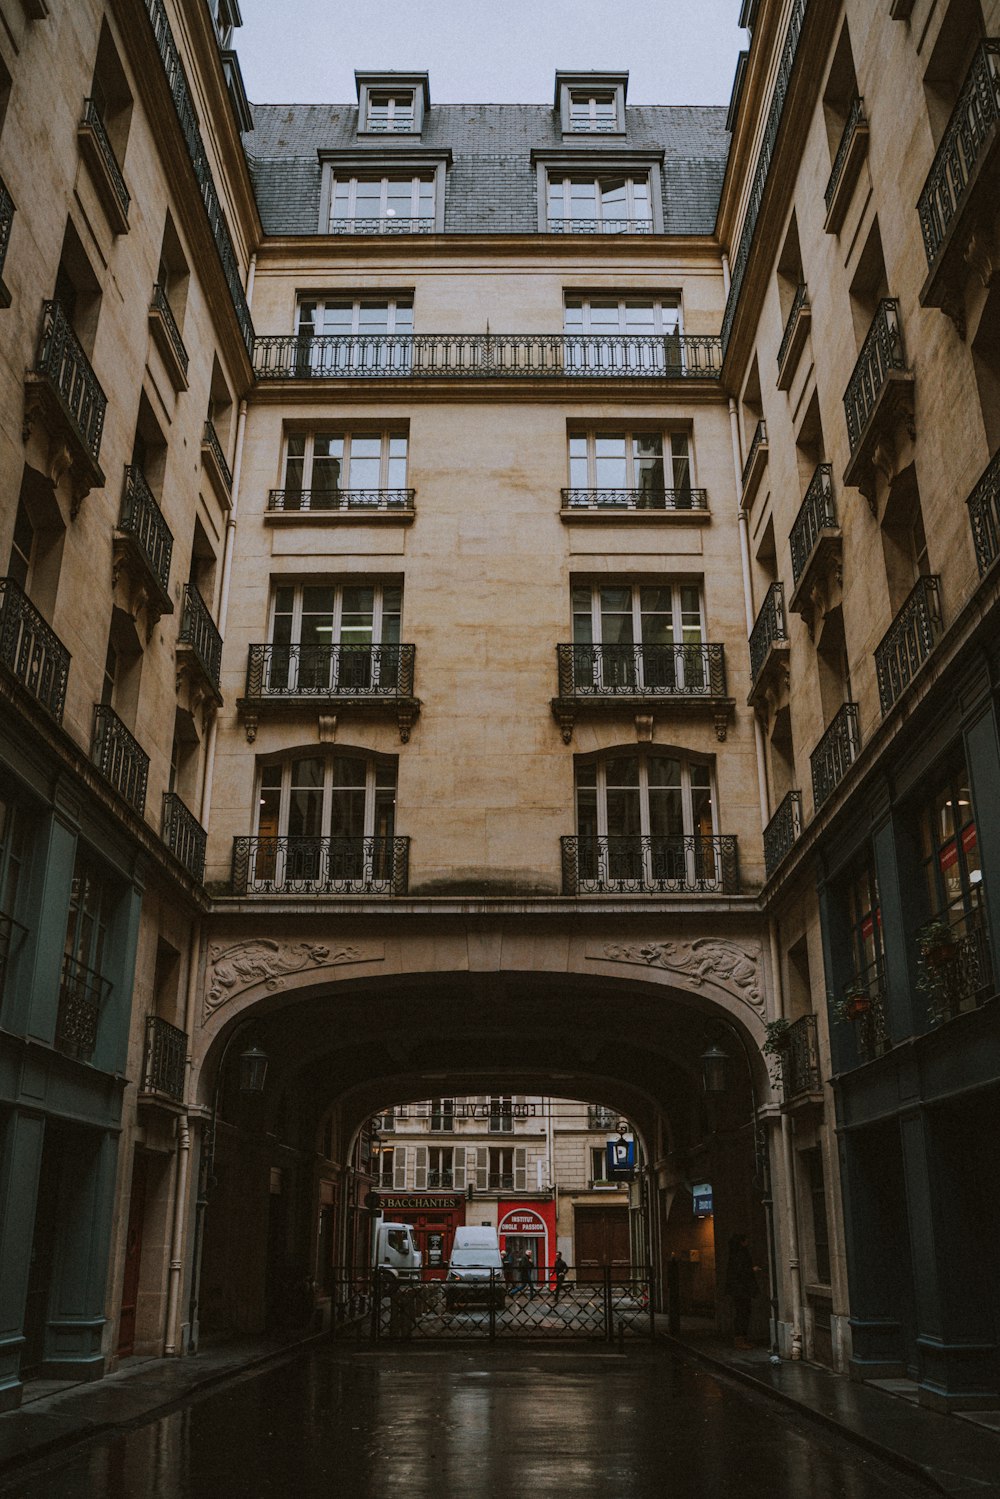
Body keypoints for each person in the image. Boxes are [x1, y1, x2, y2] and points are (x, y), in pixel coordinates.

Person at [724, 1232, 759, 1349]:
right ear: (742, 1241)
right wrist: (752, 1269)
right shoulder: (741, 1254)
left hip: (738, 1289)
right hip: (742, 1289)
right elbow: (741, 1272)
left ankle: (740, 1339)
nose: (748, 1242)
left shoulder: (734, 1253)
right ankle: (740, 1340)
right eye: (746, 1240)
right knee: (743, 1313)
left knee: (741, 1313)